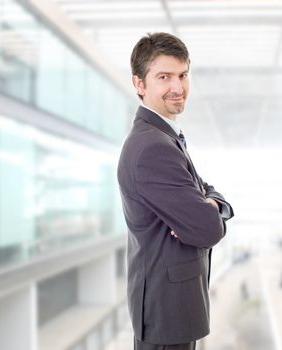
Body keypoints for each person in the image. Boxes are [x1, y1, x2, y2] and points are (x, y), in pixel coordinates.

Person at [117, 32, 234, 350]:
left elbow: (206, 192)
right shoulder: (152, 147)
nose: (178, 87)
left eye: (183, 75)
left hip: (168, 311)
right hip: (166, 313)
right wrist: (209, 208)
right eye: (164, 77)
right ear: (139, 84)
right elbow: (208, 228)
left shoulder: (163, 137)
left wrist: (208, 201)